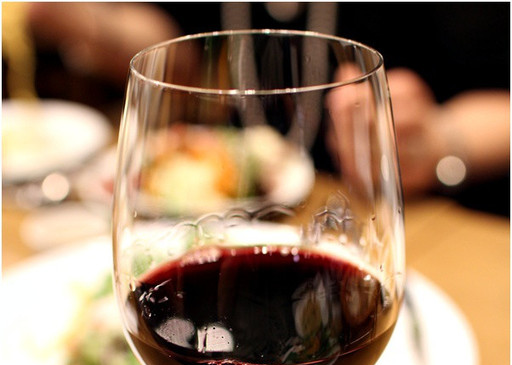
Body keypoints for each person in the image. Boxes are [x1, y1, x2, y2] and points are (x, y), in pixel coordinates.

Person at [6, 2, 510, 215]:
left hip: (428, 221)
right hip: (234, 220)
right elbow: (176, 53)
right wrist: (80, 17)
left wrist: (443, 141)